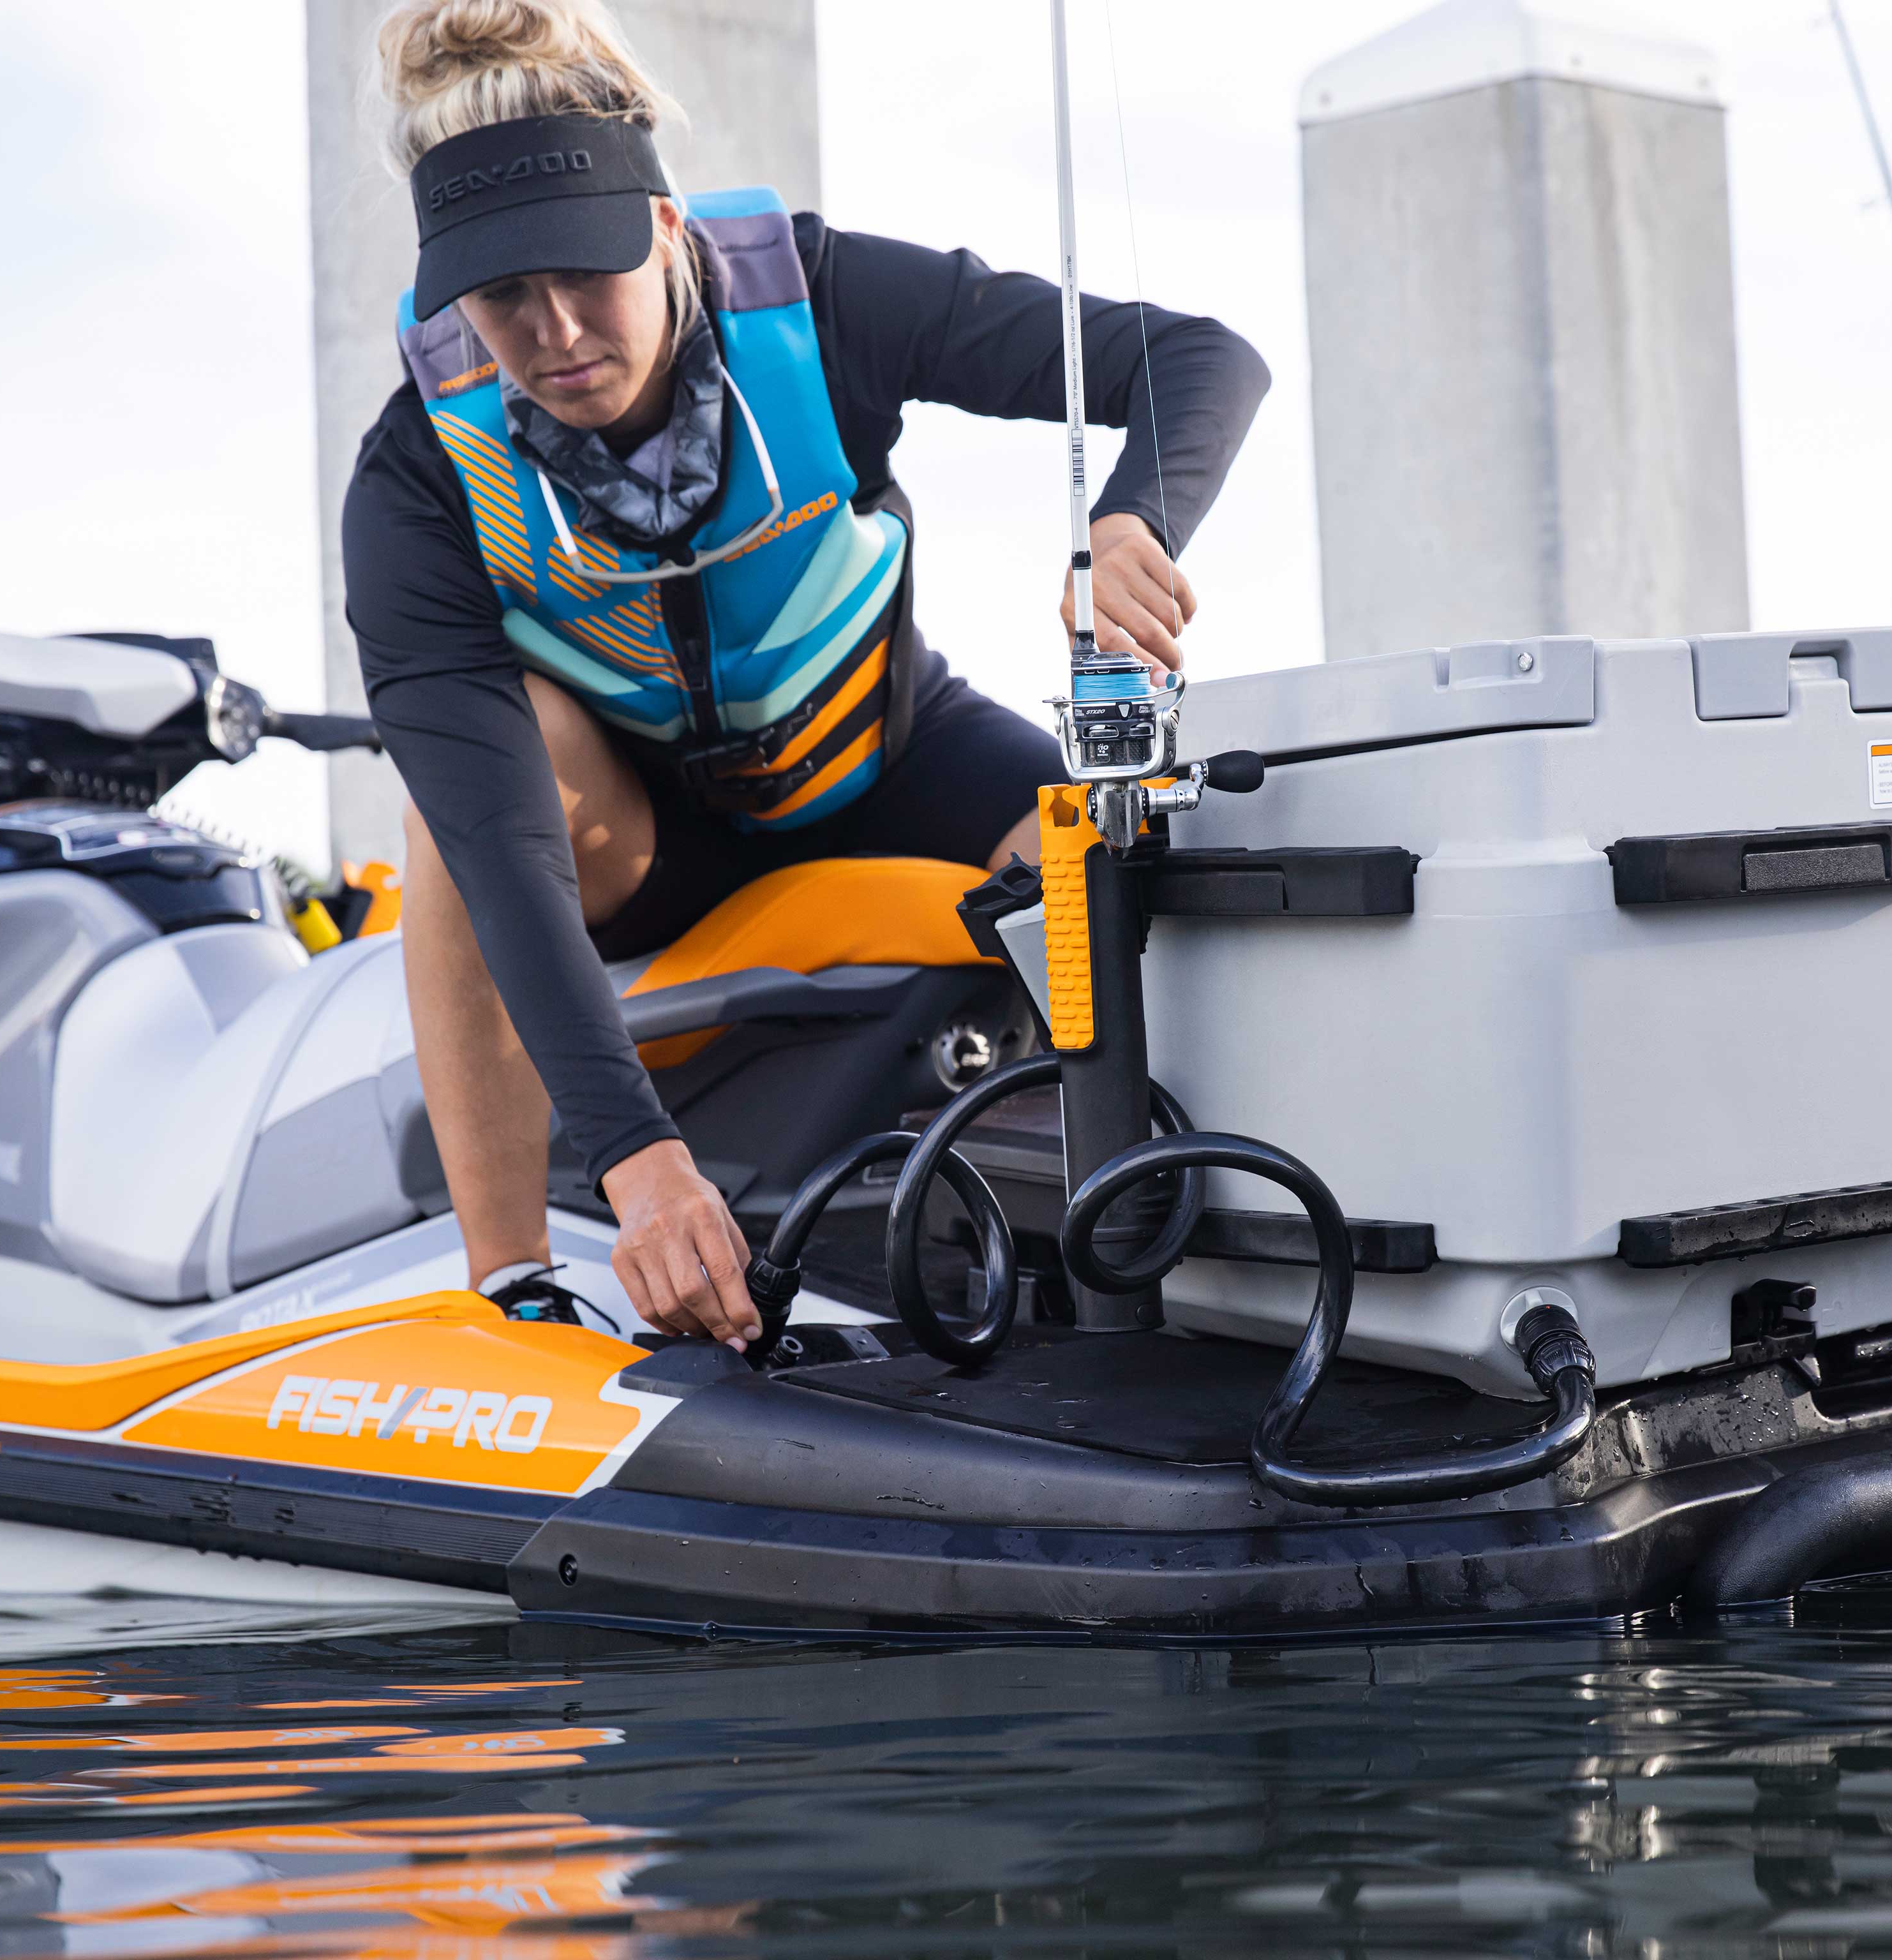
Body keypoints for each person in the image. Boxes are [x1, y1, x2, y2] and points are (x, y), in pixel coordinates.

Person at [344, 0, 1267, 1348]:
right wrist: (640, 1164)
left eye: (583, 278)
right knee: (451, 806)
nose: (551, 335)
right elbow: (497, 847)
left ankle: (1190, 1235)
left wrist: (1133, 517)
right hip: (642, 845)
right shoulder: (420, 477)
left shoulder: (823, 299)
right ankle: (509, 1284)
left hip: (885, 756)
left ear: (666, 229)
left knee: (1139, 857)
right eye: (499, 301)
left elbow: (1194, 357)